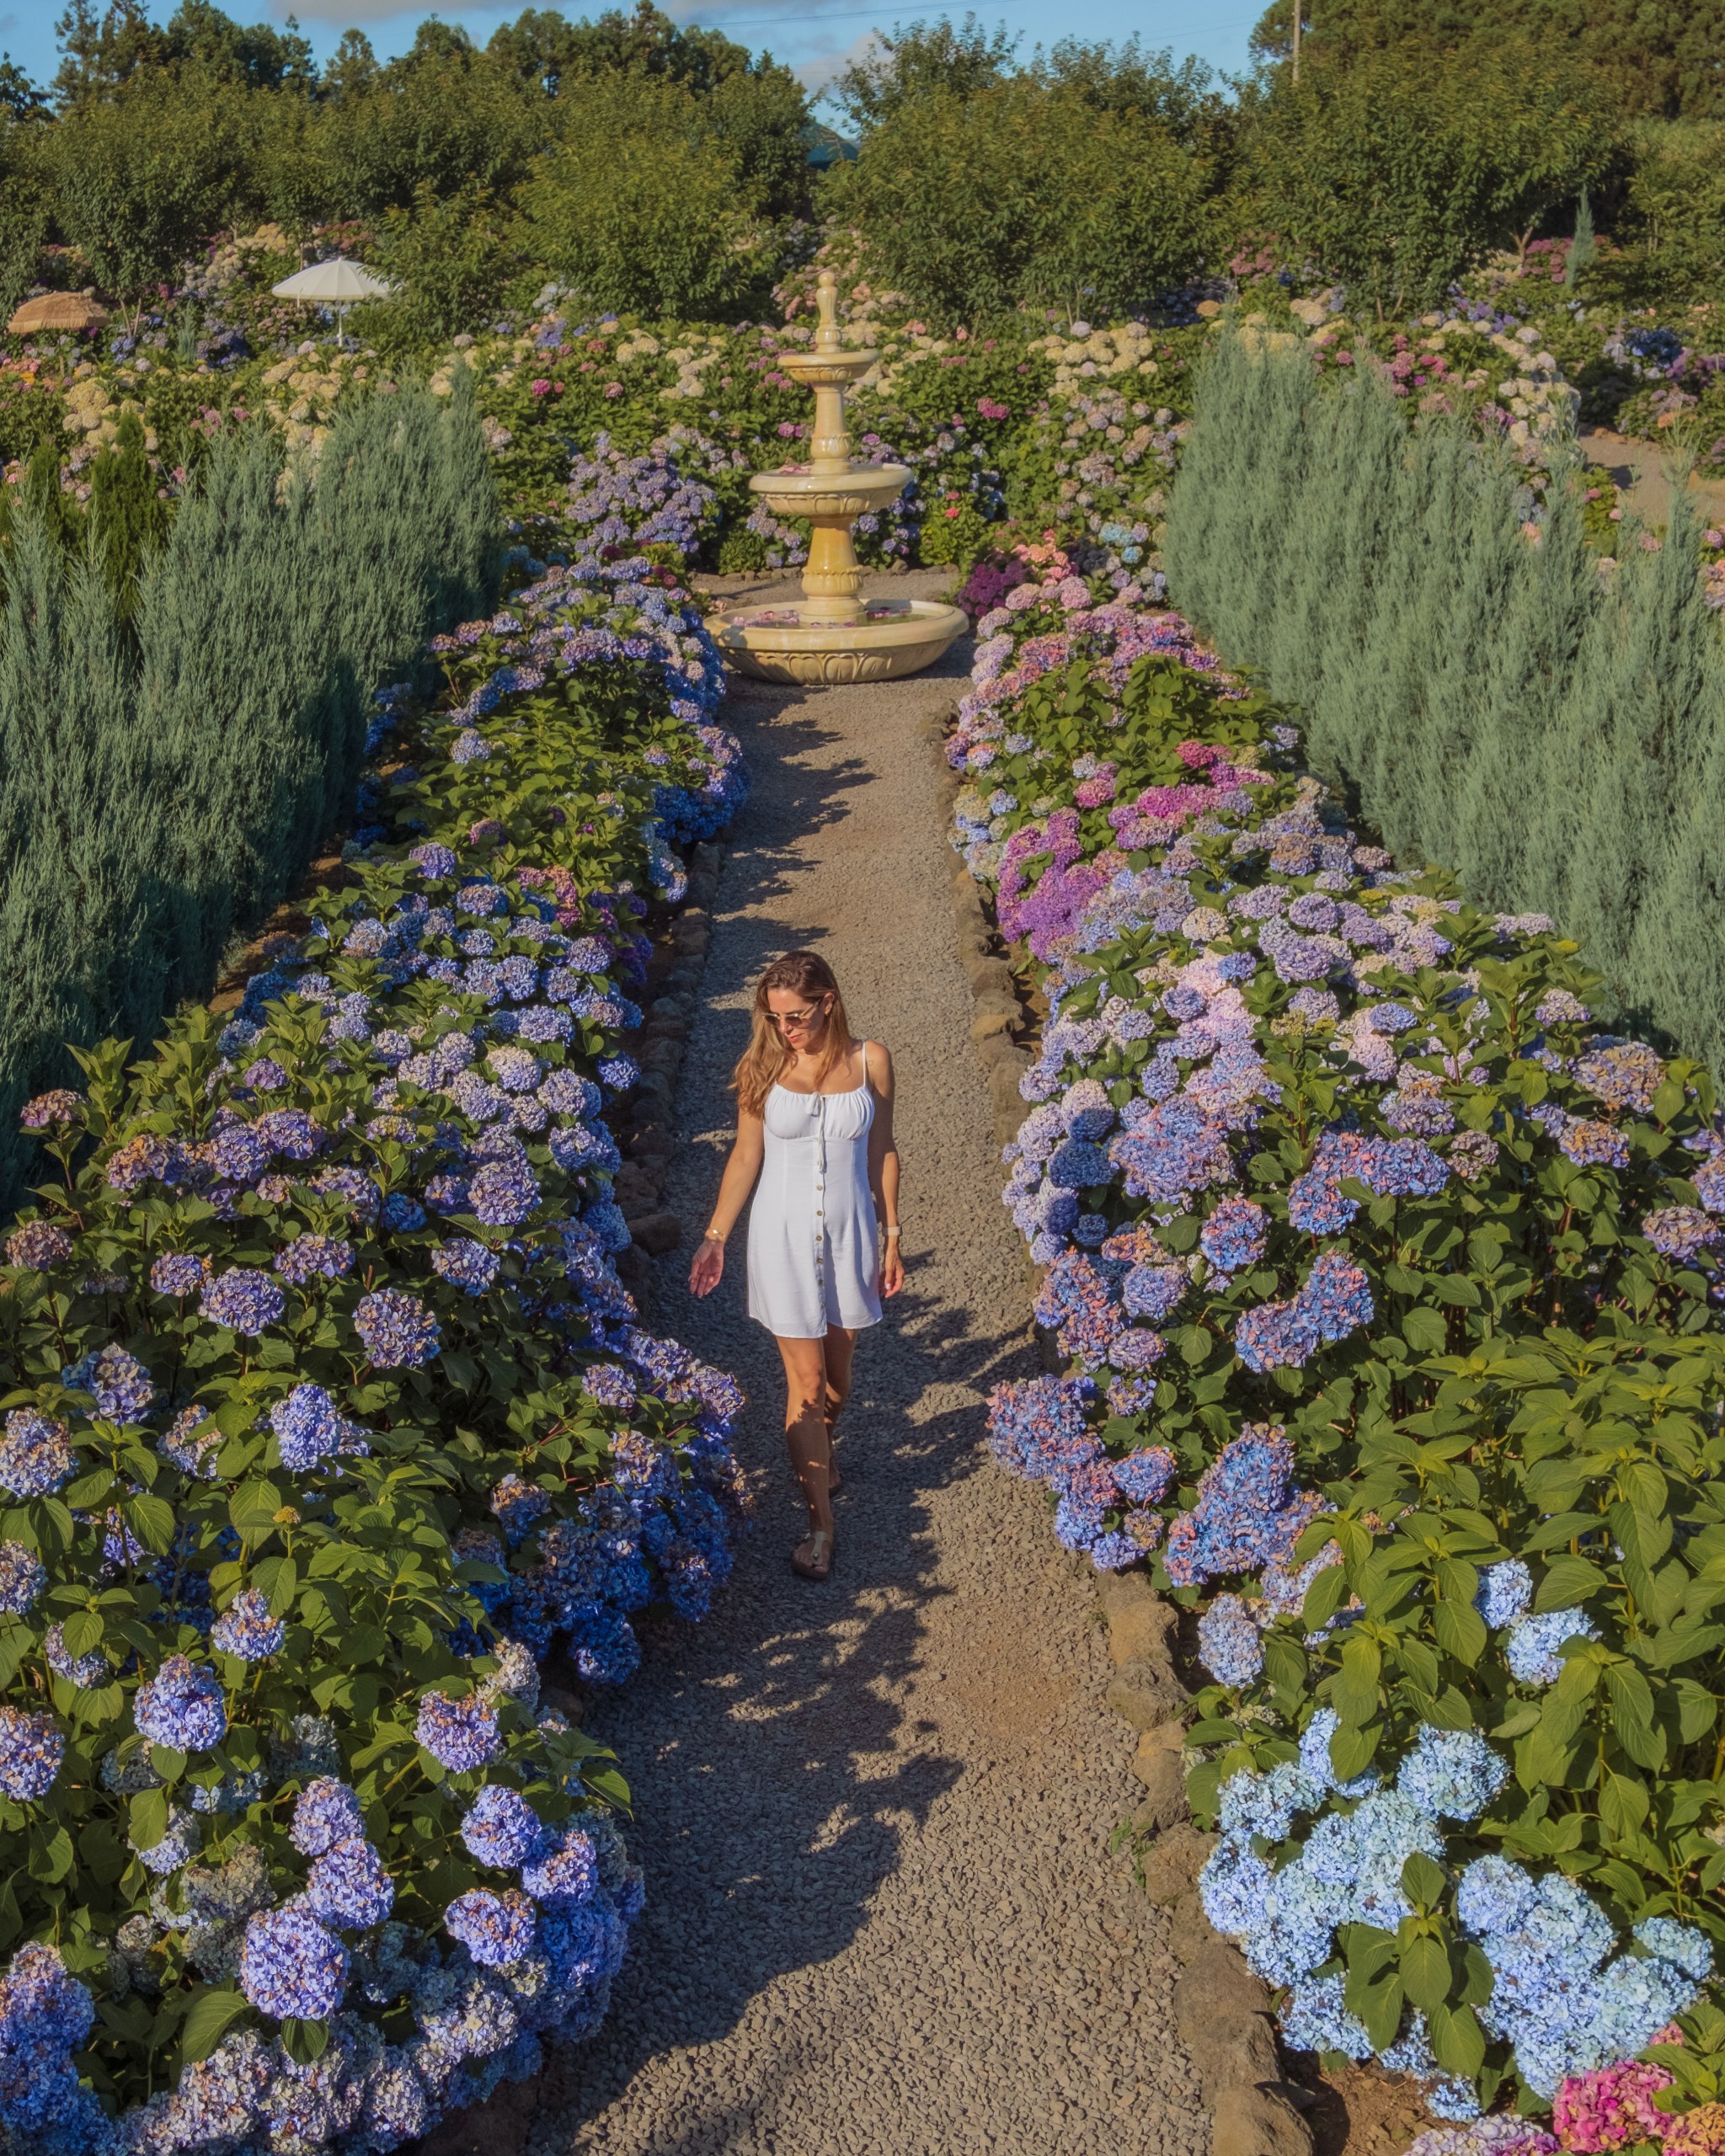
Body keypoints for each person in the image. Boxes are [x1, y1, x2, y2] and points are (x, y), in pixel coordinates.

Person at [688, 950, 902, 1580]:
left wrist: (892, 1234)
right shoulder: (762, 1065)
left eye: (796, 1016)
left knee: (839, 1381)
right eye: (775, 1017)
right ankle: (820, 1526)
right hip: (780, 1238)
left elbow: (883, 1150)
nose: (786, 1029)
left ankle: (821, 1451)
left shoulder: (872, 1060)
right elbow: (745, 1156)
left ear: (827, 1002)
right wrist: (715, 1237)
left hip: (849, 1235)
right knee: (806, 1384)